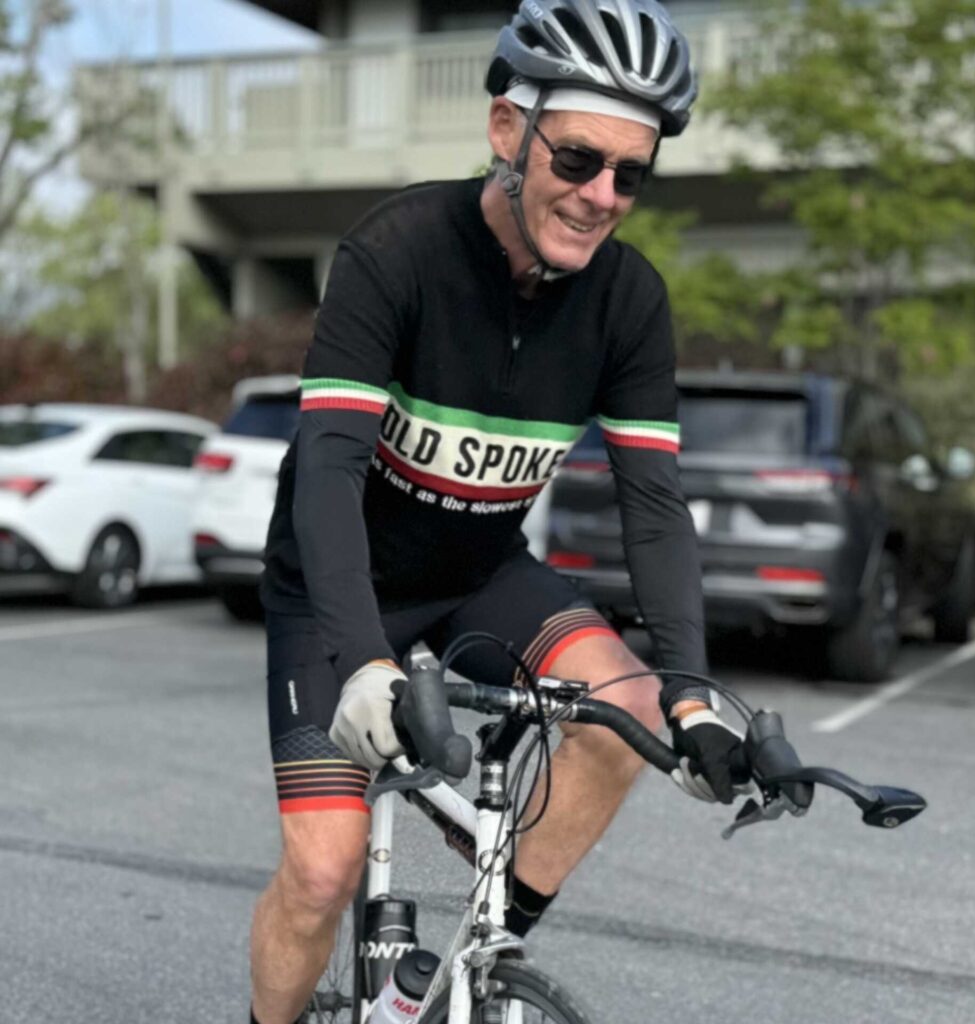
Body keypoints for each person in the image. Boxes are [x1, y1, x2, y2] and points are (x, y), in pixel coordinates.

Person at [249, 2, 747, 1021]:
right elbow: (327, 475)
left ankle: (484, 943)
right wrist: (361, 658)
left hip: (479, 576)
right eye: (575, 158)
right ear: (505, 130)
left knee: (627, 717)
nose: (601, 195)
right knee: (319, 873)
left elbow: (652, 507)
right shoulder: (395, 251)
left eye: (631, 174)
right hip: (337, 589)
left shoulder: (629, 300)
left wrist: (693, 697)